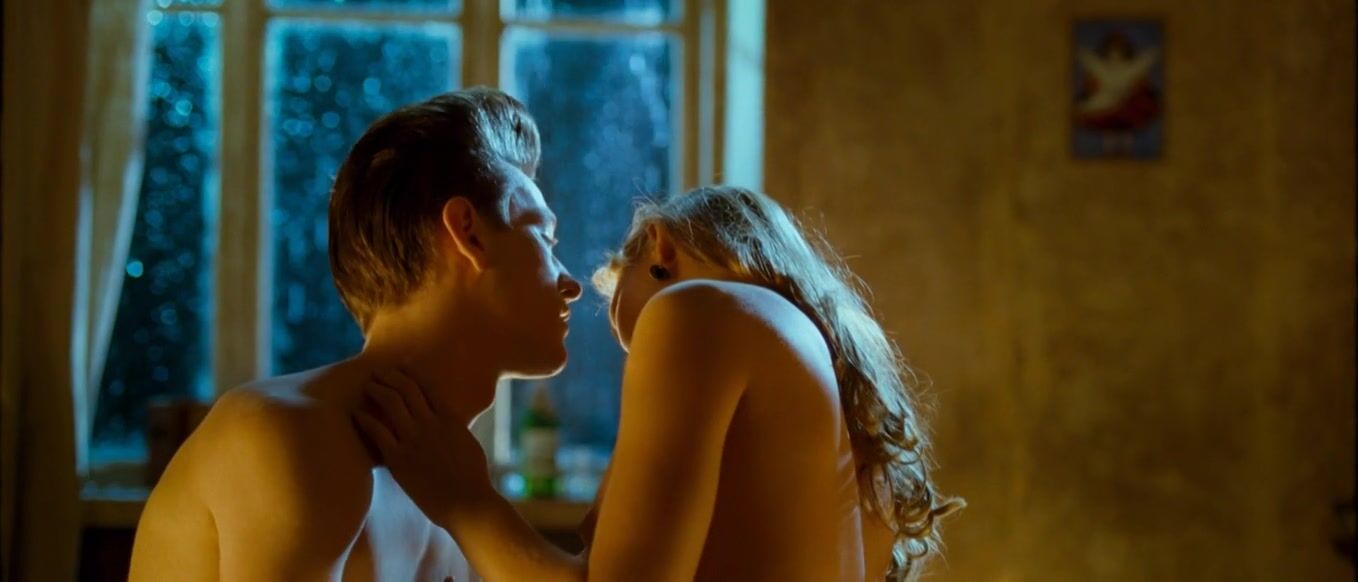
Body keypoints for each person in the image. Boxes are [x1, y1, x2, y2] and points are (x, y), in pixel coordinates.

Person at [355, 186, 964, 581]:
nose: (643, 361)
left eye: (636, 338)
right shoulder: (844, 399)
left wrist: (463, 497)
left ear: (659, 248)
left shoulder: (696, 310)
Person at [128, 87, 582, 580]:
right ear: (468, 233)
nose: (572, 284)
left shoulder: (445, 480)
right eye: (544, 238)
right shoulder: (287, 436)